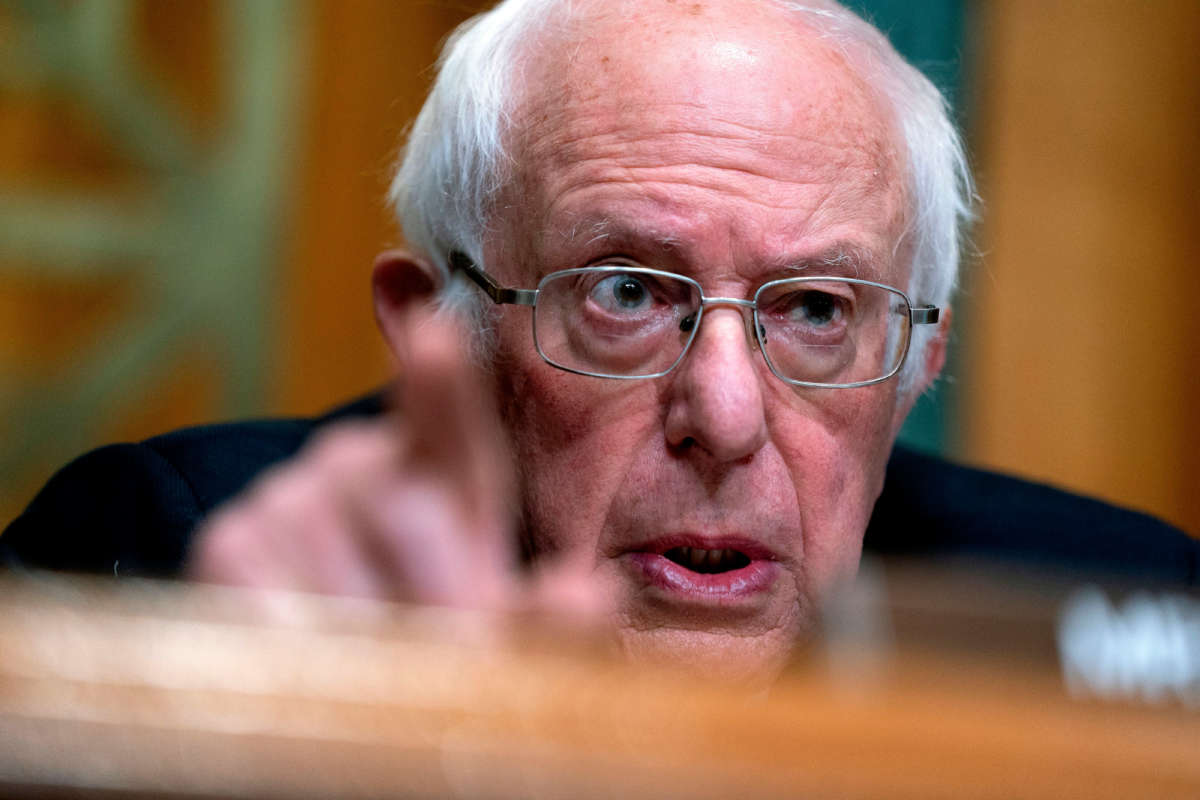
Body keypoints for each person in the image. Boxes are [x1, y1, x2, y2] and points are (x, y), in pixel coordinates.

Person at [3, 0, 1196, 681]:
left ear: (920, 363)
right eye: (626, 291)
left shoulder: (1121, 623)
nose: (724, 417)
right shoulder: (166, 568)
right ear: (439, 341)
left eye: (818, 310)